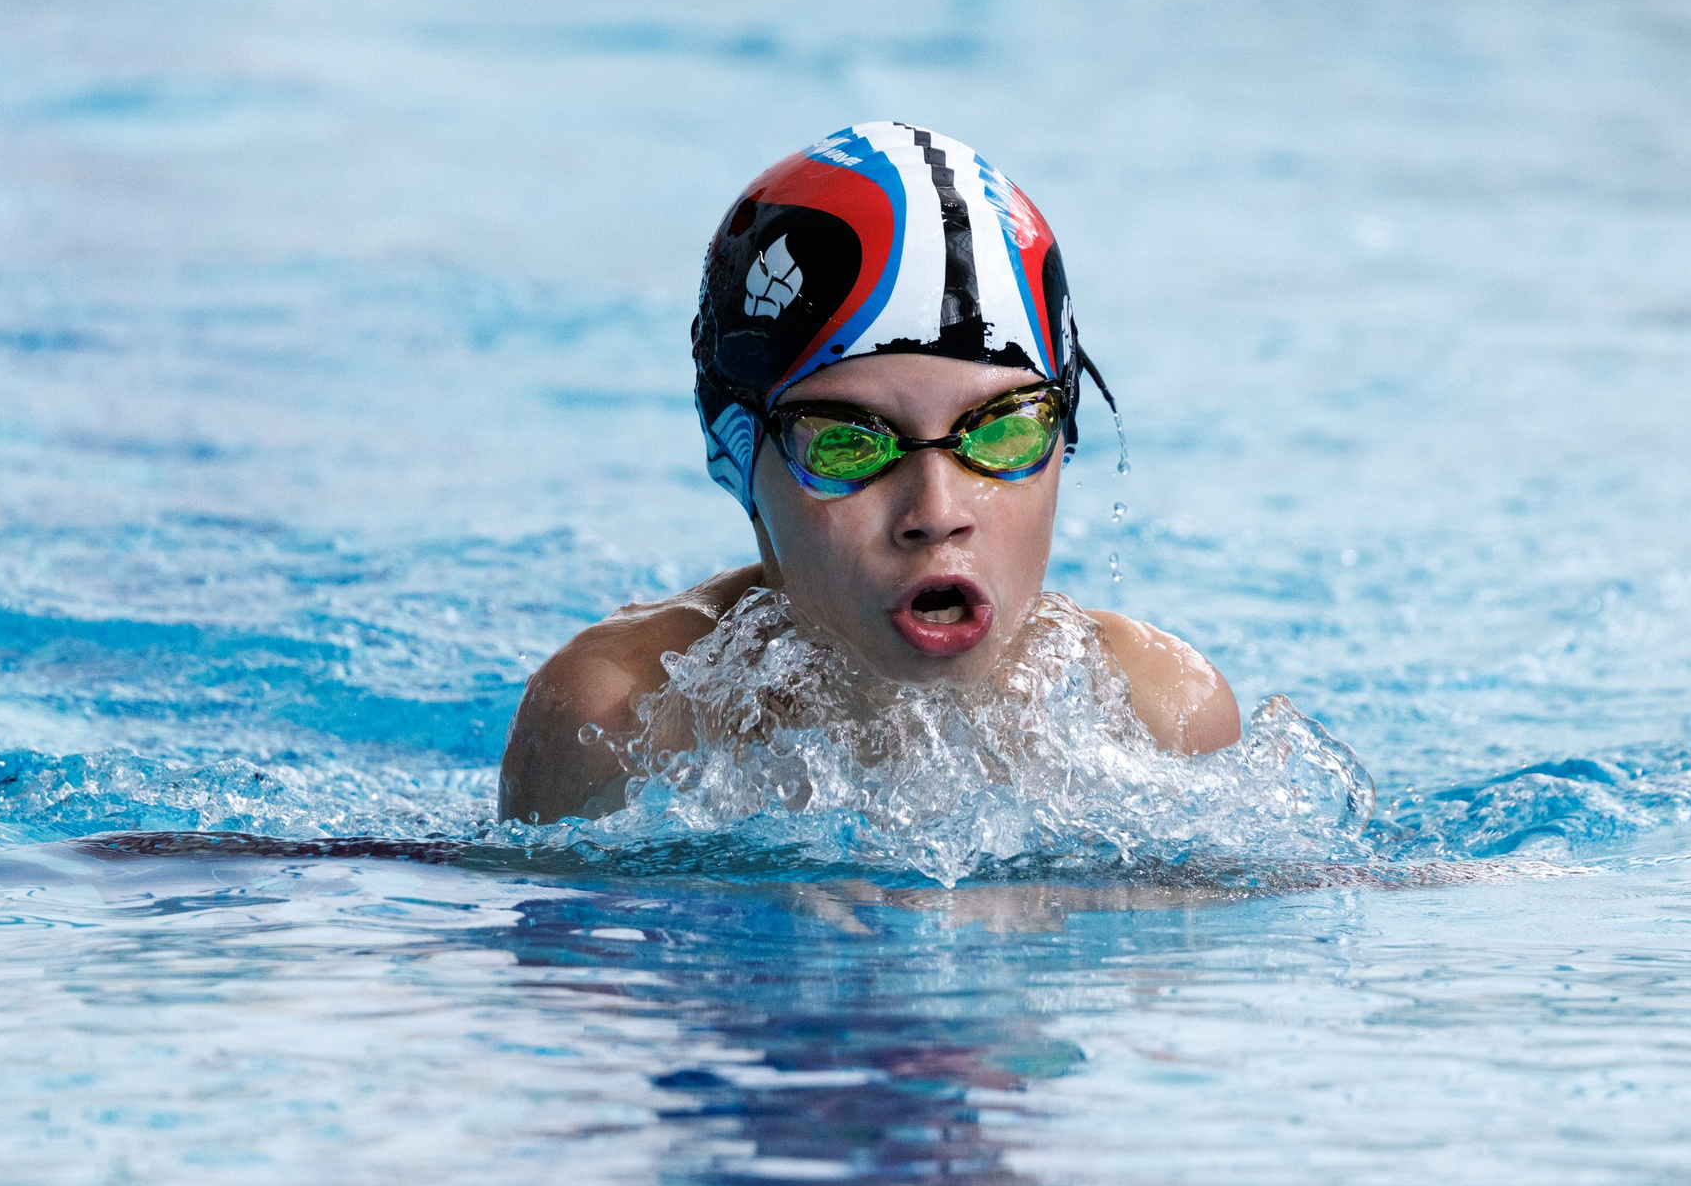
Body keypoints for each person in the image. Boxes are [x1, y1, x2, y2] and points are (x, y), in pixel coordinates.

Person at [498, 122, 1239, 824]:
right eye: (851, 444)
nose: (937, 510)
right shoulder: (620, 726)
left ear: (1063, 436)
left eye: (1004, 431)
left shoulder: (1159, 718)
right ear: (736, 449)